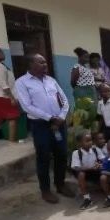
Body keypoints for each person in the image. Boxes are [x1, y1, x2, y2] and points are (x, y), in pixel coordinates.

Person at [15, 54, 73, 203]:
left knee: (61, 154)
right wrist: (50, 118)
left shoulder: (51, 80)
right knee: (43, 157)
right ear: (31, 64)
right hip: (41, 125)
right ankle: (45, 190)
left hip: (59, 123)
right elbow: (27, 106)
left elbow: (64, 100)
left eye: (45, 62)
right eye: (41, 62)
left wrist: (61, 116)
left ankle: (60, 184)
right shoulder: (22, 82)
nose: (45, 64)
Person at [70, 132, 103, 209]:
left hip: (95, 171)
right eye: (87, 141)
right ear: (80, 143)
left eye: (91, 140)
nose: (90, 142)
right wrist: (91, 168)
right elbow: (76, 168)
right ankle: (87, 198)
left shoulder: (95, 149)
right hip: (85, 173)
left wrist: (100, 164)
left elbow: (104, 160)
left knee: (105, 170)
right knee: (81, 174)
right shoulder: (76, 153)